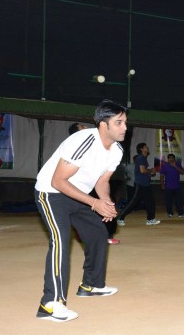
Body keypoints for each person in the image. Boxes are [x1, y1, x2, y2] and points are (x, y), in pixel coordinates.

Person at [34, 100, 126, 322]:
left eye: (125, 122)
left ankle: (91, 285)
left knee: (98, 234)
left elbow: (102, 181)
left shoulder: (116, 150)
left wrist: (105, 201)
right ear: (103, 125)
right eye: (119, 122)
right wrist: (94, 204)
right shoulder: (83, 141)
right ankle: (50, 304)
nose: (125, 127)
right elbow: (58, 181)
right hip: (51, 193)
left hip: (78, 195)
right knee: (60, 241)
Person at [68, 122, 120, 245]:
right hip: (81, 187)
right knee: (84, 213)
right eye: (82, 127)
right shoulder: (75, 148)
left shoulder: (99, 144)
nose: (86, 127)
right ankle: (86, 235)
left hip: (97, 184)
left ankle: (107, 234)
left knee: (107, 206)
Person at [117, 143, 160, 226]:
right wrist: (150, 170)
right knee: (133, 202)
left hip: (145, 184)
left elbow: (143, 171)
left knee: (150, 202)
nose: (147, 148)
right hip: (140, 185)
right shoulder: (141, 158)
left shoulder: (143, 158)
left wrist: (150, 173)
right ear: (141, 149)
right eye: (145, 147)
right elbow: (142, 170)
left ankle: (150, 219)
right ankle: (120, 218)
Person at [160, 153, 184, 218]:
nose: (171, 159)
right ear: (168, 159)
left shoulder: (178, 164)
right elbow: (161, 176)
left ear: (174, 159)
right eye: (170, 158)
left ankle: (181, 213)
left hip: (177, 186)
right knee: (168, 201)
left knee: (178, 200)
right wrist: (162, 185)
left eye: (172, 158)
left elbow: (182, 172)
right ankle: (169, 213)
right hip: (168, 186)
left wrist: (175, 166)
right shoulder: (164, 165)